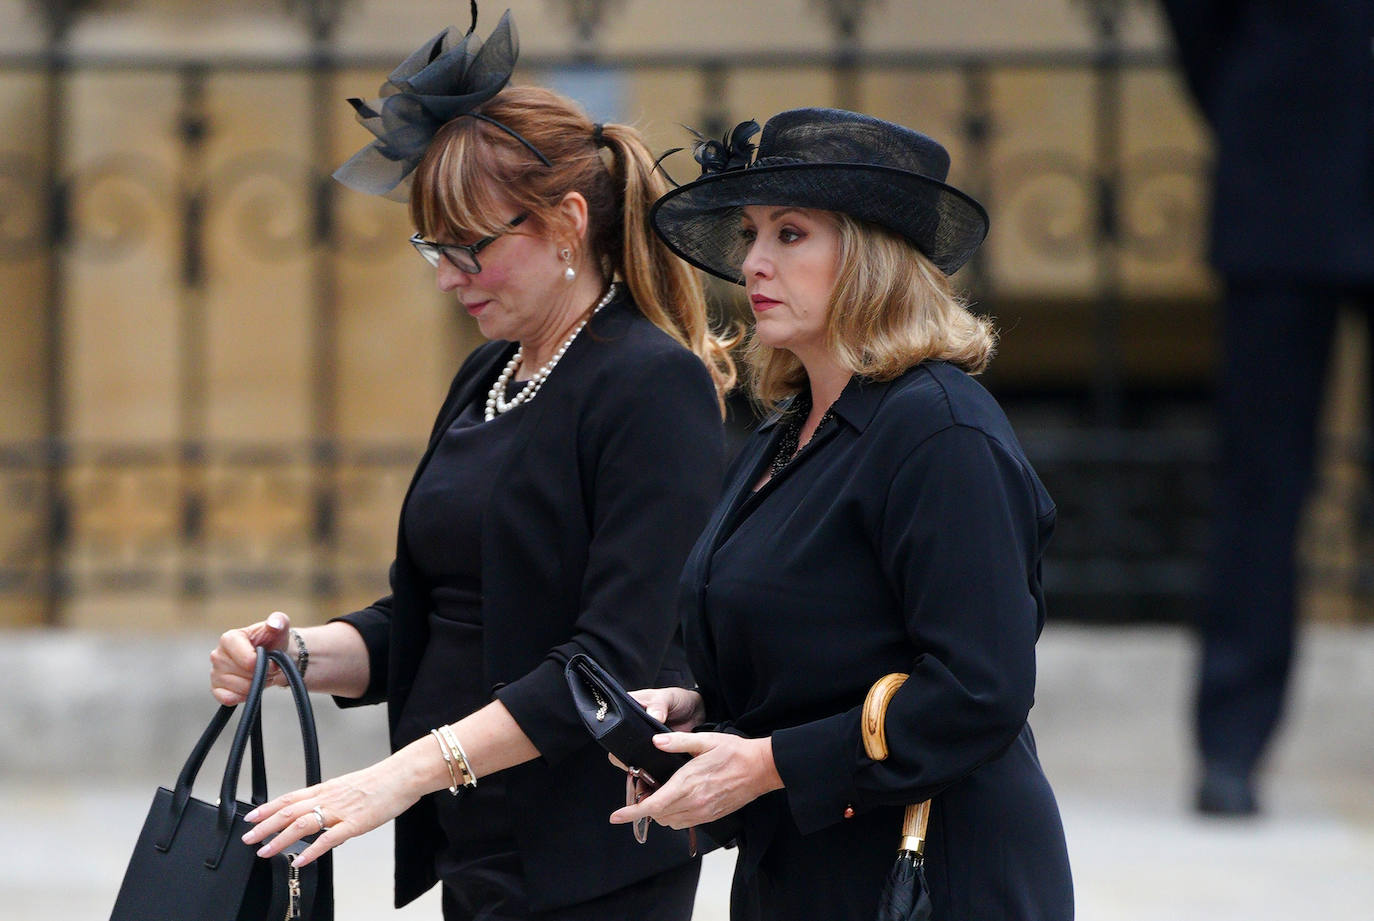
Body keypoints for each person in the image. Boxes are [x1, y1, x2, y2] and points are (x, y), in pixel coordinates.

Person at [208, 8, 736, 920]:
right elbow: (445, 616)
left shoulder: (653, 383)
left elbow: (605, 665)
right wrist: (299, 654)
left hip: (590, 851)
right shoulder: (490, 371)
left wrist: (397, 776)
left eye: (470, 248)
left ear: (568, 224)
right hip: (477, 839)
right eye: (433, 248)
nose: (447, 276)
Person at [609, 108, 1074, 921]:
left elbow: (980, 691)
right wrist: (703, 715)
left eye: (790, 234)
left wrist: (768, 763)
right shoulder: (782, 432)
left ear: (869, 258)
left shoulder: (942, 429)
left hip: (935, 878)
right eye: (751, 233)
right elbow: (821, 653)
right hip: (802, 870)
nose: (752, 262)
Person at [1160, 0, 1374, 816]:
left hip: (1283, 161)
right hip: (1285, 172)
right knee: (1262, 480)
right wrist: (1256, 102)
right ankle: (1231, 742)